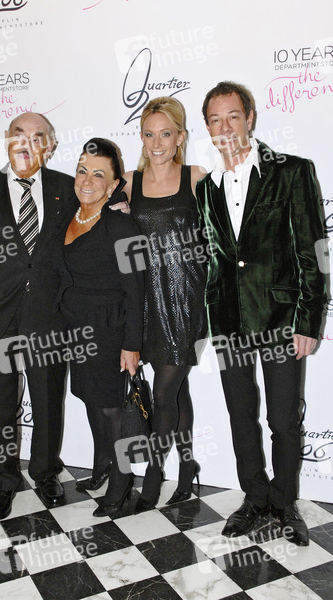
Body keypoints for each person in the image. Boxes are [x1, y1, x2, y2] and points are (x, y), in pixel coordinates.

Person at [196, 81, 327, 546]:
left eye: (233, 116)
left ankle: (284, 500)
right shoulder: (206, 187)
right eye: (215, 119)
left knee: (284, 420)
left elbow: (313, 250)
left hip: (280, 318)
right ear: (207, 127)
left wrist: (308, 320)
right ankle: (254, 497)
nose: (225, 127)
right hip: (228, 319)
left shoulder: (291, 171)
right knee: (240, 415)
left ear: (249, 118)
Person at [0, 112, 77, 521]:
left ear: (49, 146)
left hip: (48, 315)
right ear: (6, 140)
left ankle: (45, 473)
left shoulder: (67, 189)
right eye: (19, 134)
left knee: (48, 399)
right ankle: (3, 481)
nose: (27, 143)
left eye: (38, 137)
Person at [122, 96, 208, 512]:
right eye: (149, 134)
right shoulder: (128, 182)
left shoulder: (197, 178)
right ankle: (188, 467)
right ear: (141, 137)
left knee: (164, 391)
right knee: (176, 391)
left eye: (166, 134)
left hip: (186, 301)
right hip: (144, 303)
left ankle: (154, 476)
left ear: (180, 137)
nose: (157, 143)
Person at [57, 138, 144, 517]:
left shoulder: (123, 226)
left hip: (110, 331)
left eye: (98, 174)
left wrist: (132, 344)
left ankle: (122, 483)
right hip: (75, 331)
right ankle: (102, 464)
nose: (87, 180)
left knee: (111, 410)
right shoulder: (65, 217)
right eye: (82, 171)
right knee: (91, 401)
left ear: (112, 185)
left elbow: (137, 292)